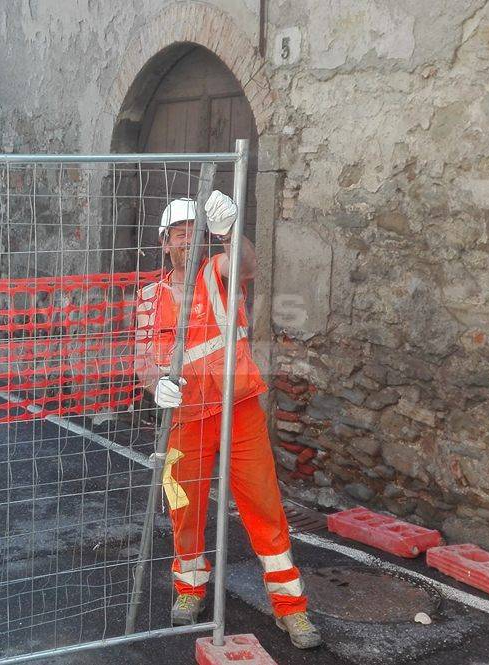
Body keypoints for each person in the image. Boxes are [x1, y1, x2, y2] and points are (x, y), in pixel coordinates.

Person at [133, 191, 321, 649]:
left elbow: (249, 266)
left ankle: (291, 609)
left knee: (263, 506)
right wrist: (156, 383)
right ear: (164, 242)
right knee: (185, 508)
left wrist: (232, 233)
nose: (187, 241)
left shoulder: (218, 274)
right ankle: (189, 589)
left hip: (238, 410)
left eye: (195, 233)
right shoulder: (148, 299)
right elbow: (142, 359)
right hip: (186, 417)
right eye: (180, 234)